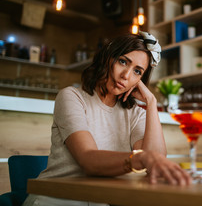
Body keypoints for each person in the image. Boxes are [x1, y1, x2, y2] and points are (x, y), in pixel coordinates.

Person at [23, 31, 192, 206]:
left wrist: (151, 102)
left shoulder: (135, 113)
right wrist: (139, 158)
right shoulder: (72, 97)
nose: (126, 75)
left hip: (100, 202)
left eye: (137, 71)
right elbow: (88, 160)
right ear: (108, 58)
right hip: (55, 200)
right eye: (123, 61)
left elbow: (154, 162)